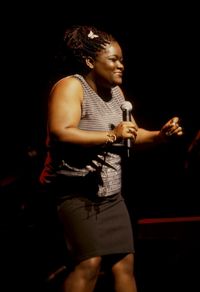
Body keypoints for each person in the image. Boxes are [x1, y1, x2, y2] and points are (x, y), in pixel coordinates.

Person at [39, 25, 183, 292]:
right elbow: (61, 132)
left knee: (124, 264)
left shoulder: (116, 93)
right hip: (75, 192)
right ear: (90, 61)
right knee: (89, 264)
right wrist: (111, 136)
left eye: (122, 60)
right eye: (113, 60)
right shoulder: (72, 86)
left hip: (110, 194)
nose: (121, 66)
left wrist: (160, 136)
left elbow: (130, 134)